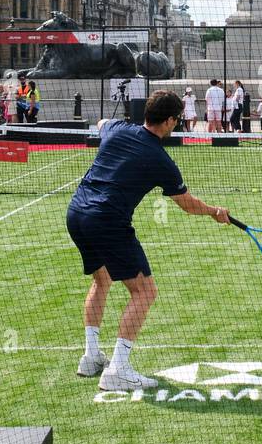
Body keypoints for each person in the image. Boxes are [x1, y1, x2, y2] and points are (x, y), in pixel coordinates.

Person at [68, 90, 231, 389]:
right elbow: (186, 203)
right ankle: (118, 369)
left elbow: (103, 122)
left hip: (77, 213)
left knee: (101, 280)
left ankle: (91, 357)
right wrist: (214, 212)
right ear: (168, 121)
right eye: (177, 120)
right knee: (145, 292)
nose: (177, 124)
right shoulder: (160, 159)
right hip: (107, 220)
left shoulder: (117, 129)